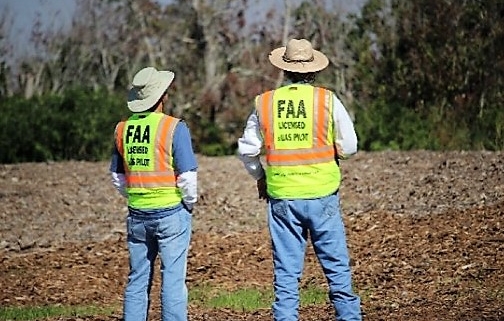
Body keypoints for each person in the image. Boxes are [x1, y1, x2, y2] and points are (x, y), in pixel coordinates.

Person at [237, 39, 362, 321]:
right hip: (323, 194)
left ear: (284, 70)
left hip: (282, 197)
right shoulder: (327, 99)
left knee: (286, 273)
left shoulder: (265, 102)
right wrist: (335, 151)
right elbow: (350, 145)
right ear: (313, 71)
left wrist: (260, 177)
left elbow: (247, 149)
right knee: (336, 269)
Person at [109, 66, 198, 321]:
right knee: (172, 279)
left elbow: (117, 177)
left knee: (137, 279)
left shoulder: (122, 129)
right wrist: (188, 205)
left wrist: (136, 196)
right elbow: (188, 177)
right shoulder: (174, 127)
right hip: (171, 212)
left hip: (137, 214)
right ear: (163, 97)